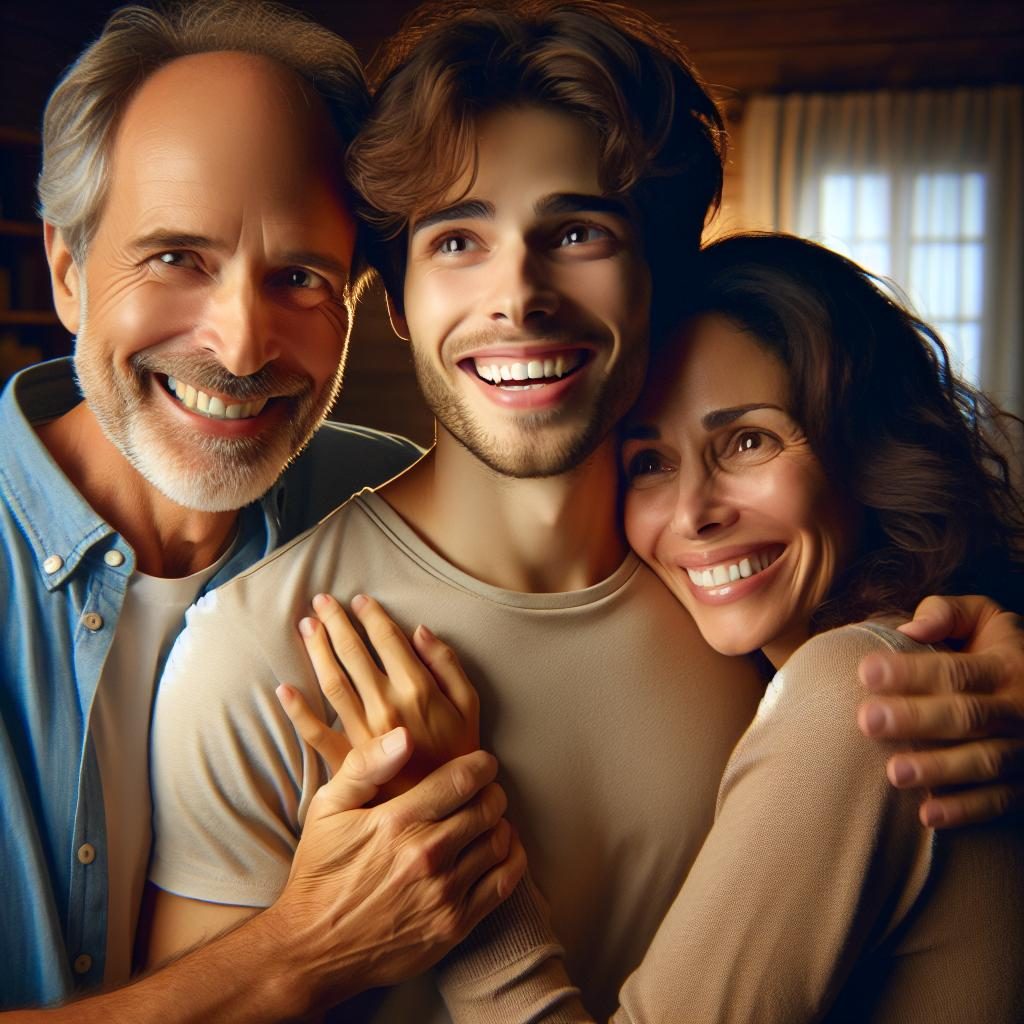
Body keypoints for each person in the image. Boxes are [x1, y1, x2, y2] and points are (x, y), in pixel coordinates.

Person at [144, 3, 1024, 1021]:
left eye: (575, 231)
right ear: (392, 301)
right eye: (458, 239)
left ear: (655, 276)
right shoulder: (261, 660)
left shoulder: (751, 605)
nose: (518, 294)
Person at [342, 232, 1019, 1021]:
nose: (695, 514)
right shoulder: (855, 671)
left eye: (747, 441)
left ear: (861, 445)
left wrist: (461, 848)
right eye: (650, 463)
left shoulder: (864, 694)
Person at [0, 2, 524, 1016]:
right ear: (67, 274)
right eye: (174, 258)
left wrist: (905, 666)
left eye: (299, 277)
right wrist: (296, 952)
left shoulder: (397, 511)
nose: (241, 347)